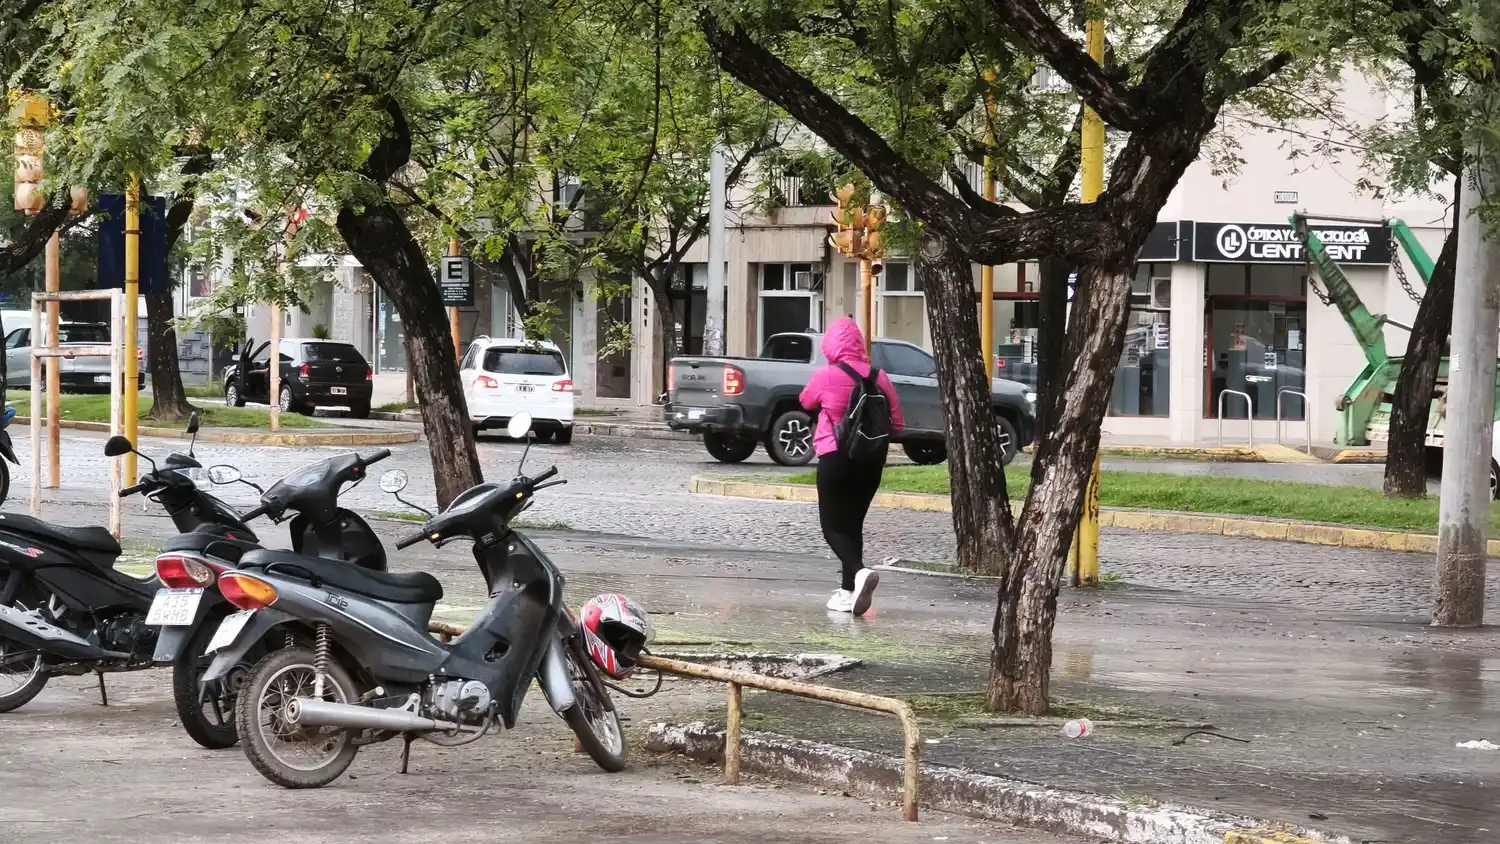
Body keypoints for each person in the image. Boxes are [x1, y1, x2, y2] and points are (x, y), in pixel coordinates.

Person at [799, 318, 904, 616]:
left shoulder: (826, 375)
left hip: (836, 456)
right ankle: (848, 593)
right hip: (871, 461)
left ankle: (858, 572)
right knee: (853, 525)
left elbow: (805, 401)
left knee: (832, 526)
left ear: (831, 344)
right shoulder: (879, 376)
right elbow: (897, 423)